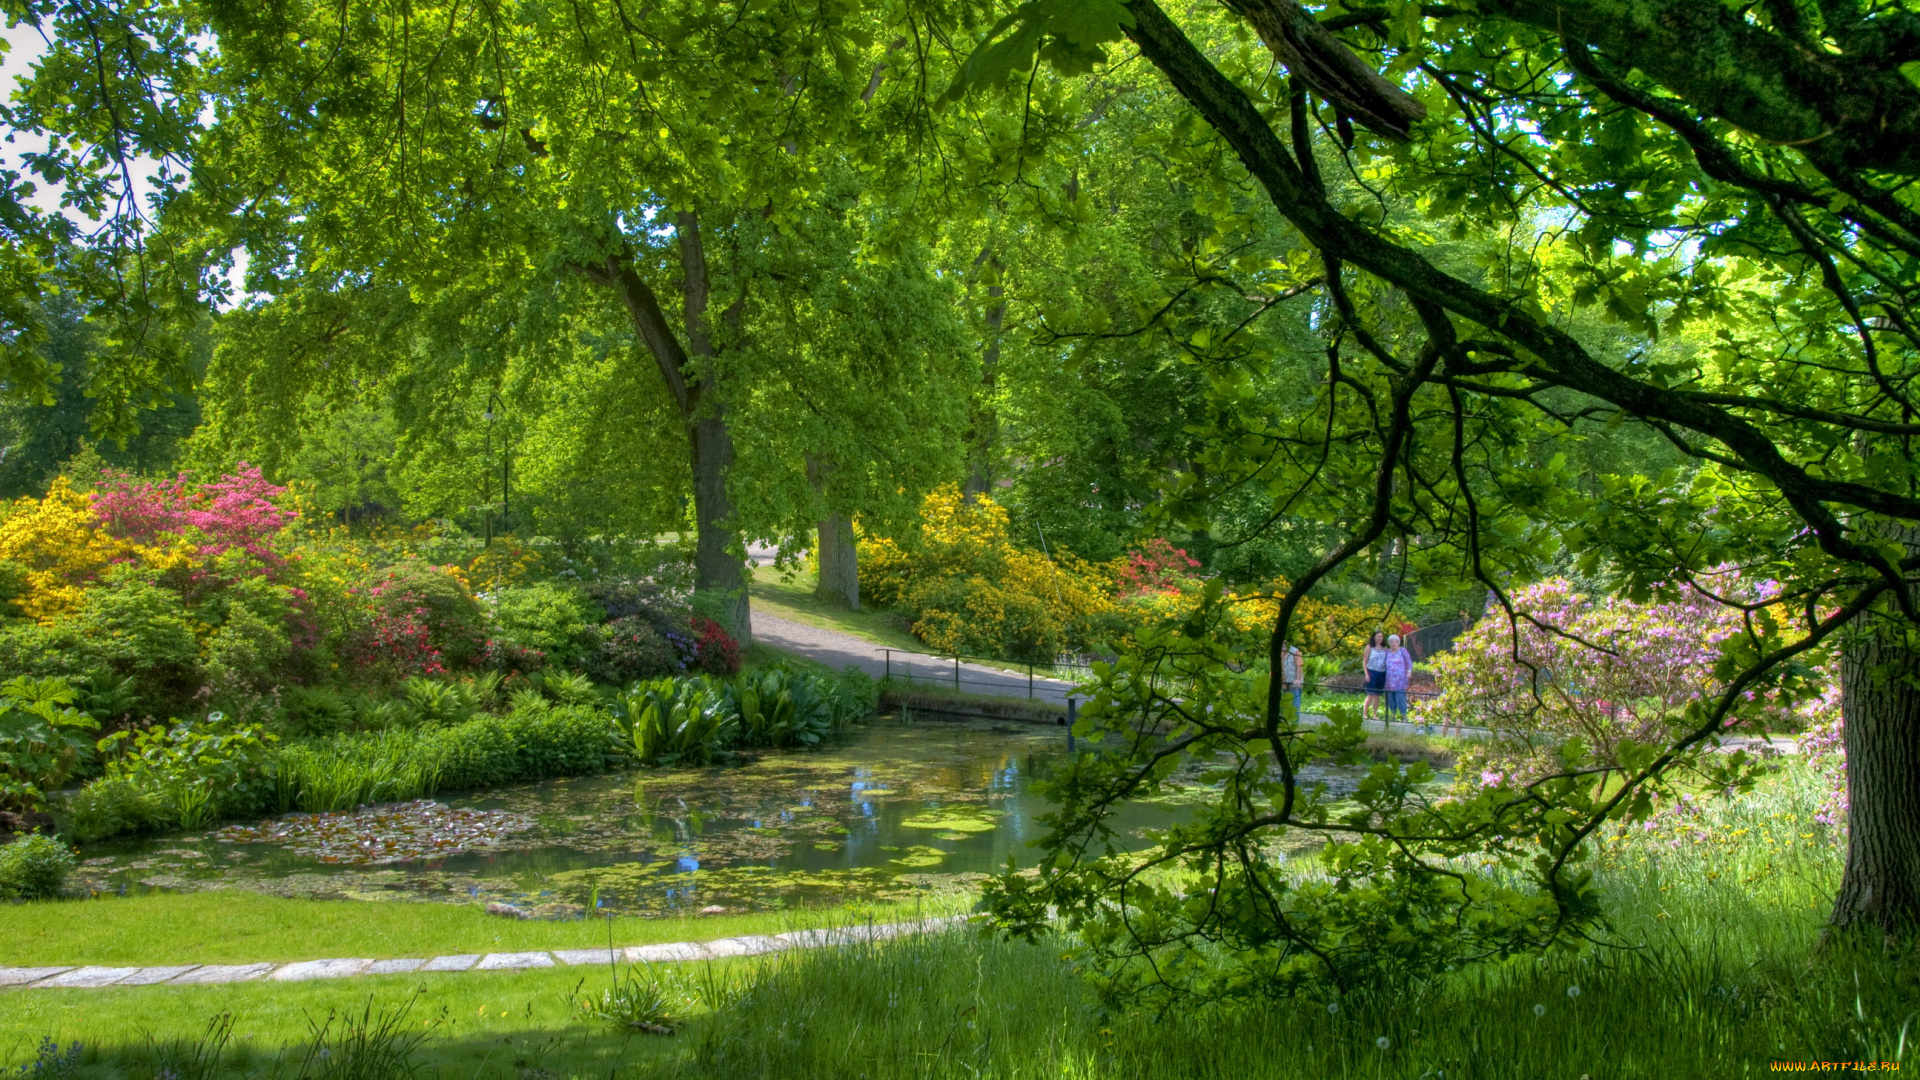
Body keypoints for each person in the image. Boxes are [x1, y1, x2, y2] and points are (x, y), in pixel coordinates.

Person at [1383, 633, 1413, 729]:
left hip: (1400, 679)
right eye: (1391, 642)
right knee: (1391, 698)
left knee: (1400, 697)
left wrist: (1409, 672)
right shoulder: (1387, 652)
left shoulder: (1403, 651)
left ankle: (1404, 716)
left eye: (1394, 642)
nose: (1392, 644)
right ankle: (1393, 715)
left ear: (1398, 642)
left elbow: (1409, 662)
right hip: (1389, 679)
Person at [1360, 630, 1388, 722]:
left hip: (1382, 673)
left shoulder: (1385, 648)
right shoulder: (1369, 647)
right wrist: (1366, 674)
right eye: (1378, 636)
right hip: (1371, 672)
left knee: (1377, 695)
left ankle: (1375, 715)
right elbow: (1364, 661)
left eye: (1381, 637)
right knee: (1370, 694)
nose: (1380, 638)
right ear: (1374, 637)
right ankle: (1364, 714)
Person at [1280, 640, 1305, 720]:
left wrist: (1298, 679)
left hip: (1294, 685)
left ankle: (1294, 724)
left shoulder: (1295, 651)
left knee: (1294, 706)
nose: (1283, 645)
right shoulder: (1278, 652)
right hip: (1282, 684)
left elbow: (1299, 666)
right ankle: (1283, 722)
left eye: (1285, 643)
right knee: (1283, 704)